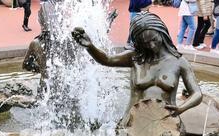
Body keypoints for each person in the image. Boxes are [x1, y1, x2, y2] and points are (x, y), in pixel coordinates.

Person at [72, 12, 202, 123]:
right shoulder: (134, 57)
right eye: (145, 43)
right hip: (133, 122)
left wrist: (181, 108)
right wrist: (90, 47)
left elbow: (197, 94)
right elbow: (107, 59)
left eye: (154, 39)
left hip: (166, 122)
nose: (151, 45)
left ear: (162, 33)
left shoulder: (179, 61)